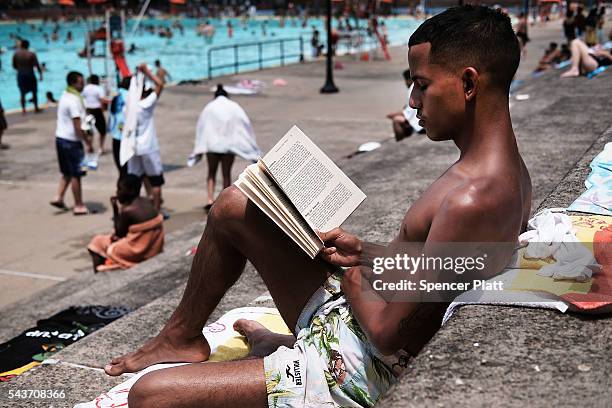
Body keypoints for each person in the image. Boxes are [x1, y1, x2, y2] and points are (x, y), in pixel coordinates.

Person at [104, 6, 532, 408]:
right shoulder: (504, 174)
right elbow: (439, 268)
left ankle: (286, 356)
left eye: (421, 85)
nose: (413, 101)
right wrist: (365, 253)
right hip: (357, 323)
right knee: (238, 204)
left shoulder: (472, 197)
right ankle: (183, 337)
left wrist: (354, 279)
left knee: (150, 395)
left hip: (356, 367)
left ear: (469, 84)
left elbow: (388, 336)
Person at [190, 84, 261, 210]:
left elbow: (201, 126)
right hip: (229, 146)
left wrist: (199, 148)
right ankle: (224, 201)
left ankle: (210, 199)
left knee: (211, 172)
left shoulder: (209, 107)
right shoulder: (234, 107)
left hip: (212, 146)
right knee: (226, 174)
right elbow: (244, 124)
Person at [87, 174, 164, 273]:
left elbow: (119, 234)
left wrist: (116, 209)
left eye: (120, 189)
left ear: (131, 191)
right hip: (153, 246)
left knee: (97, 242)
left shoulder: (128, 210)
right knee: (104, 241)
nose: (117, 192)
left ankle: (98, 276)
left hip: (139, 250)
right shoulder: (146, 202)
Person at [50, 71, 94, 215]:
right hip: (71, 141)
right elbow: (77, 125)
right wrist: (87, 142)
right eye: (81, 82)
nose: (83, 85)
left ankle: (58, 196)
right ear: (74, 83)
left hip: (60, 138)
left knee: (67, 171)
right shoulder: (74, 101)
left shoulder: (65, 96)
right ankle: (79, 204)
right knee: (76, 173)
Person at [126, 63, 165, 213]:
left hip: (133, 147)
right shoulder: (145, 105)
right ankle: (156, 210)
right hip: (148, 147)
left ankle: (132, 208)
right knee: (155, 180)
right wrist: (147, 72)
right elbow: (160, 85)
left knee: (134, 179)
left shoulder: (128, 107)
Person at [386, 69, 424, 141]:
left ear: (409, 80)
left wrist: (390, 115)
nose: (405, 83)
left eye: (405, 81)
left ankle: (400, 142)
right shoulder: (420, 85)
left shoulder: (413, 88)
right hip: (423, 122)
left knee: (396, 120)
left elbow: (406, 113)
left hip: (421, 126)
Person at [12, 39, 43, 114]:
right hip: (30, 74)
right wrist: (40, 75)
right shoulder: (31, 54)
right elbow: (37, 65)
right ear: (28, 45)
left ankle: (23, 110)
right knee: (34, 91)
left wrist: (20, 69)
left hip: (21, 75)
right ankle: (36, 108)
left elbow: (14, 66)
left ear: (21, 45)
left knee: (22, 93)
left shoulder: (16, 54)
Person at [82, 74, 110, 154]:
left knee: (89, 130)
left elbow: (82, 98)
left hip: (88, 110)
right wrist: (105, 107)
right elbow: (102, 99)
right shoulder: (98, 88)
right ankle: (101, 148)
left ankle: (90, 146)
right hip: (97, 110)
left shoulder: (85, 88)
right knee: (102, 131)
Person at [109, 77, 131, 175]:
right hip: (125, 137)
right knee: (128, 170)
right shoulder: (129, 96)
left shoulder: (115, 94)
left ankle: (121, 189)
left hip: (115, 135)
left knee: (121, 169)